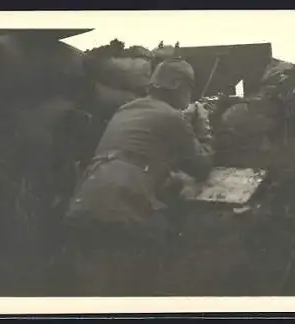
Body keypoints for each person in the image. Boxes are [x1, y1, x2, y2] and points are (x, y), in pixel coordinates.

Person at [58, 58, 214, 296]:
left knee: (93, 290)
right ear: (178, 85)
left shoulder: (127, 109)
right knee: (137, 286)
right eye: (189, 88)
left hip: (87, 201)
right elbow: (201, 165)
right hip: (123, 208)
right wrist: (202, 127)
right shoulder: (171, 116)